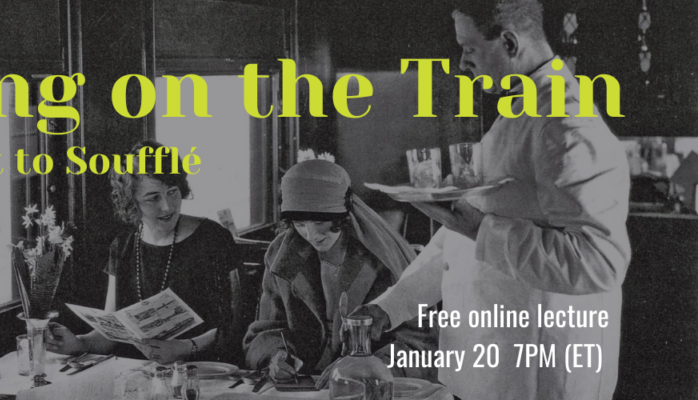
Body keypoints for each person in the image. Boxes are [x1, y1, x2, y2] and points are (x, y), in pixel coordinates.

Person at [350, 1, 630, 399]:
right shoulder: (522, 110)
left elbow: (598, 264)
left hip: (539, 377)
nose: (463, 62)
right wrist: (392, 305)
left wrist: (478, 227)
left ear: (510, 43)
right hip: (489, 369)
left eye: (469, 48)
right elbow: (466, 236)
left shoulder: (567, 123)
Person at [243, 159, 438, 382]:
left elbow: (422, 345)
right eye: (300, 223)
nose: (311, 235)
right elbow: (266, 329)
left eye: (320, 222)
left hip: (372, 385)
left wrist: (376, 367)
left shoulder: (382, 259)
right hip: (304, 385)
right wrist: (274, 357)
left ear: (342, 215)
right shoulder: (280, 255)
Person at [47, 140, 238, 364]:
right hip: (138, 374)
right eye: (153, 198)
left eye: (172, 192)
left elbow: (234, 326)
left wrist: (185, 348)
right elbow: (110, 334)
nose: (167, 206)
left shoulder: (213, 239)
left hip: (203, 372)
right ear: (132, 201)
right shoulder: (123, 246)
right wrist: (78, 343)